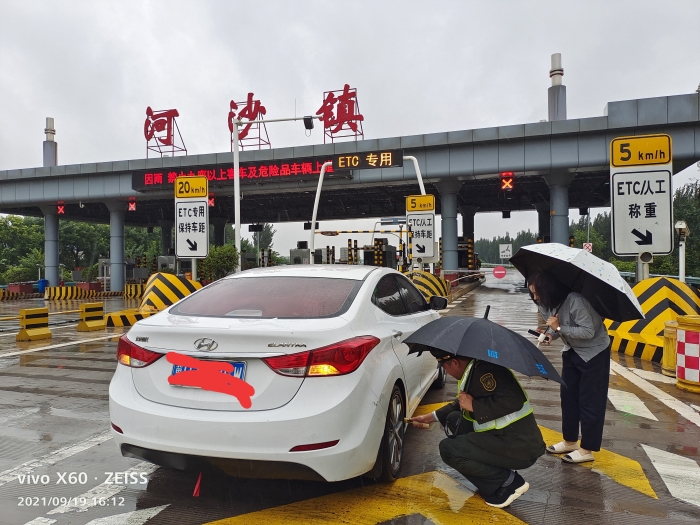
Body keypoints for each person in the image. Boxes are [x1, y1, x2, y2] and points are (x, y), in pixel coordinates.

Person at [410, 349, 545, 509]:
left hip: (521, 446)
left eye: (444, 367)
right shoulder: (474, 368)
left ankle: (507, 482)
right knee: (454, 419)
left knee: (449, 449)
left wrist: (474, 405)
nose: (446, 372)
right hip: (507, 436)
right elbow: (459, 404)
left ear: (454, 362)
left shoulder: (485, 372)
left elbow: (512, 401)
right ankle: (492, 472)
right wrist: (430, 417)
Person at [528, 271, 611, 464]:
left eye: (538, 293)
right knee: (568, 397)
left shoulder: (575, 301)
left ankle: (587, 449)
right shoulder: (545, 305)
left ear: (549, 289)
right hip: (572, 350)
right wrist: (549, 335)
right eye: (532, 293)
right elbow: (556, 329)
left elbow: (588, 331)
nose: (536, 297)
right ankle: (570, 441)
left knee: (590, 400)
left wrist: (558, 329)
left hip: (594, 352)